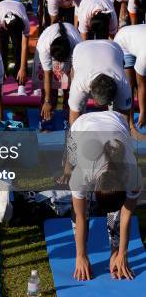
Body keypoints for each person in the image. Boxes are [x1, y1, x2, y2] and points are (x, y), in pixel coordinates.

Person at [63, 111, 142, 281]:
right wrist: (81, 255)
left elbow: (125, 217)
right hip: (80, 126)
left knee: (117, 217)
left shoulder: (133, 175)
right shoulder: (82, 174)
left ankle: (113, 252)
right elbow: (80, 216)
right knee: (76, 196)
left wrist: (121, 254)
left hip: (116, 119)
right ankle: (66, 168)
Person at [68, 40, 133, 127]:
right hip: (81, 49)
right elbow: (73, 116)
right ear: (90, 89)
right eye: (98, 103)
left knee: (118, 118)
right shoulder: (78, 85)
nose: (98, 106)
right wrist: (74, 139)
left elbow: (125, 117)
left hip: (113, 47)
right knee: (78, 106)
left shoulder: (123, 86)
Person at [36, 22, 82, 121]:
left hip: (71, 49)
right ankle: (47, 119)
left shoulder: (77, 46)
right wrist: (47, 101)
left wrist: (74, 96)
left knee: (71, 92)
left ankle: (70, 119)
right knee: (49, 93)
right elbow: (47, 75)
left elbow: (75, 74)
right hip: (48, 43)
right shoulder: (44, 48)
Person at [113, 24, 146, 129]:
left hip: (136, 37)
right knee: (129, 85)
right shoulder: (144, 56)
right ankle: (130, 125)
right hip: (123, 42)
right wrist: (143, 112)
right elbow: (141, 85)